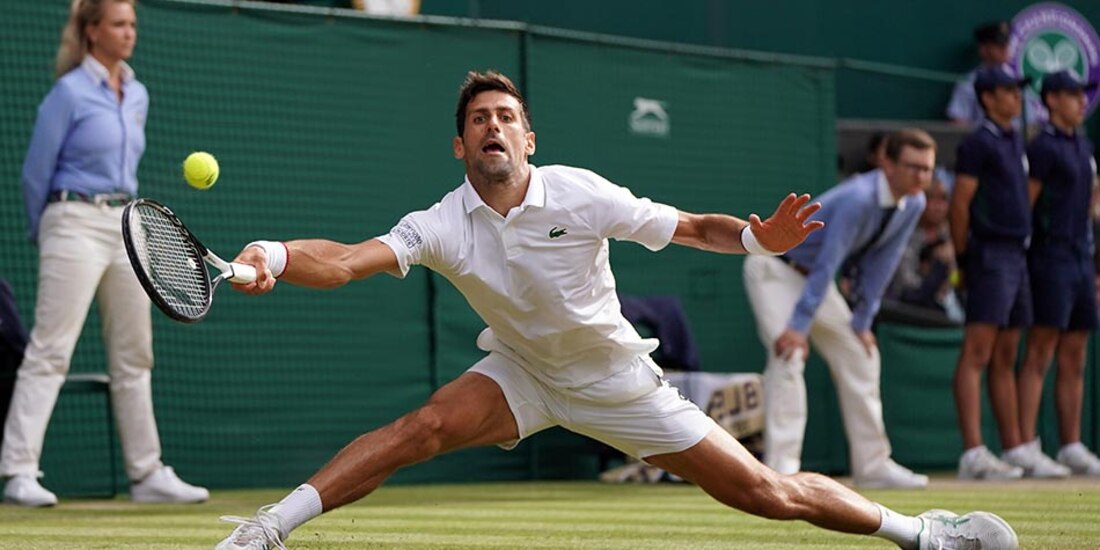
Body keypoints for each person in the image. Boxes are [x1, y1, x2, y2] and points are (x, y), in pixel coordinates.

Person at [213, 71, 1018, 550]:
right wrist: (273, 259)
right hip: (523, 371)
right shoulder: (440, 224)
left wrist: (758, 238)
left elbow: (694, 227)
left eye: (505, 117)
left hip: (617, 381)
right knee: (418, 430)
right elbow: (350, 261)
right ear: (460, 148)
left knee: (766, 494)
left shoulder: (581, 193)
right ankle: (266, 532)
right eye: (477, 120)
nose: (492, 127)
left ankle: (926, 535)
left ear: (528, 137)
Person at [1, 0, 208, 507]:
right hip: (71, 220)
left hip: (125, 225)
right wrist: (47, 230)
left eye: (133, 23)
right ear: (91, 32)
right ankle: (19, 472)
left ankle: (146, 474)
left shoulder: (137, 93)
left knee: (135, 353)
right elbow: (35, 172)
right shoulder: (67, 93)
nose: (129, 32)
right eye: (119, 23)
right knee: (51, 349)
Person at [743, 129, 934, 490]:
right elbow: (828, 262)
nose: (921, 177)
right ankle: (783, 471)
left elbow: (885, 261)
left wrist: (863, 319)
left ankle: (873, 465)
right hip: (774, 270)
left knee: (860, 354)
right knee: (788, 356)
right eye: (913, 167)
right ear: (887, 164)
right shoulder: (858, 199)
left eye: (927, 169)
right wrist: (798, 327)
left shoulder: (915, 202)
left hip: (814, 281)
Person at [1013, 70, 1100, 477]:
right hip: (1048, 259)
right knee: (1041, 350)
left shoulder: (1083, 144)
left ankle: (1070, 445)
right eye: (1071, 95)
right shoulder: (1042, 148)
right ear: (1050, 101)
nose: (1081, 101)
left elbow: (1089, 206)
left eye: (1082, 95)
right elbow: (1026, 206)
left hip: (1081, 259)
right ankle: (1028, 446)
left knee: (1076, 353)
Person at [950, 65, 1033, 480]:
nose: (1016, 97)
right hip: (989, 256)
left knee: (1006, 354)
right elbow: (960, 204)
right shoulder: (978, 144)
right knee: (978, 352)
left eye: (1017, 91)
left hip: (1018, 256)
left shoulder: (1015, 138)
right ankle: (973, 453)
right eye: (1007, 91)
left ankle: (1016, 447)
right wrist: (965, 260)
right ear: (987, 98)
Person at [886, 177, 964, 323]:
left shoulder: (950, 236)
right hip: (910, 308)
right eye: (932, 201)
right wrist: (936, 267)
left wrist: (951, 269)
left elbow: (956, 280)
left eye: (943, 201)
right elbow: (908, 287)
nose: (938, 207)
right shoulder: (906, 234)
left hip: (947, 305)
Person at [946, 21, 1046, 129]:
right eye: (998, 45)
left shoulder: (1016, 79)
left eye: (1006, 43)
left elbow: (1031, 123)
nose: (1005, 48)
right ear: (983, 49)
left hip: (1016, 141)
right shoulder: (969, 82)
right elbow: (958, 124)